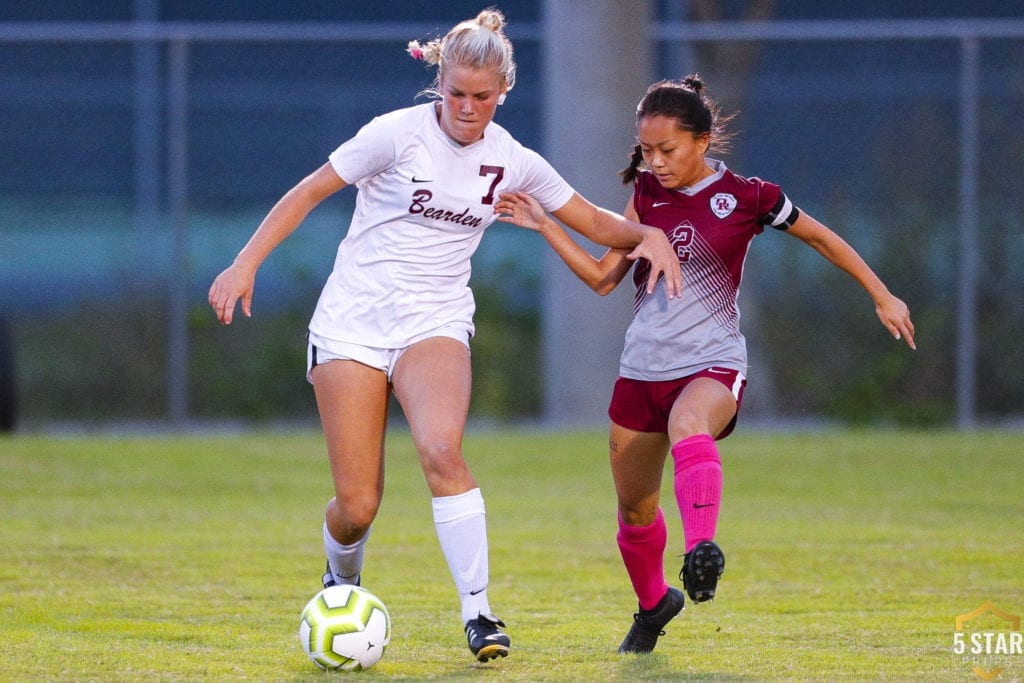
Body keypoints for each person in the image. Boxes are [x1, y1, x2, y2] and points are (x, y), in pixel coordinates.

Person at [207, 9, 682, 664]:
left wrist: (648, 233)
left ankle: (479, 612)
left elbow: (597, 223)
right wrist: (245, 261)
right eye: (455, 92)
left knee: (440, 449)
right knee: (358, 503)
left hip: (434, 320)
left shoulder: (510, 159)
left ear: (502, 93)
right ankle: (341, 579)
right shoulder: (395, 136)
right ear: (440, 81)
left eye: (481, 97)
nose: (465, 107)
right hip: (352, 321)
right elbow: (309, 190)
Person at [494, 74, 916, 655]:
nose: (656, 161)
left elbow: (821, 239)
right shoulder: (645, 194)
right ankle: (654, 603)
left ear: (703, 140)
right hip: (642, 369)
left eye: (667, 150)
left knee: (689, 425)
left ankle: (700, 551)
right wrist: (545, 225)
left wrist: (881, 293)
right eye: (647, 150)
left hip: (711, 363)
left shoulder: (751, 197)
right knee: (635, 507)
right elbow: (601, 279)